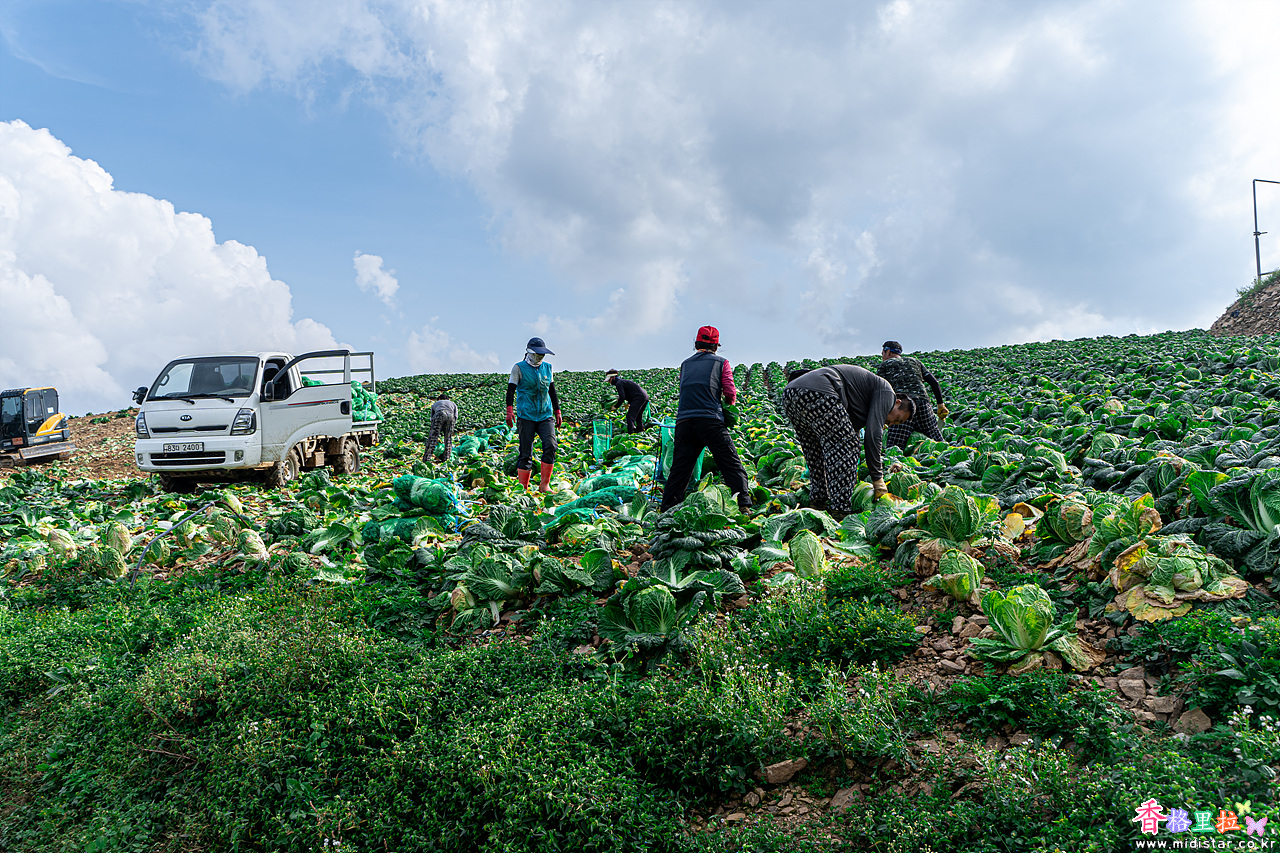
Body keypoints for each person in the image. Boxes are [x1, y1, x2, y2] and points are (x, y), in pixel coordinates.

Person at [782, 364, 915, 514]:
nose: (890, 424)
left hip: (791, 395)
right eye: (897, 419)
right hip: (819, 393)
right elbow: (873, 434)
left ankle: (818, 500)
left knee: (815, 450)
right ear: (897, 402)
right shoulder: (887, 393)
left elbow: (849, 428)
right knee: (848, 446)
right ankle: (840, 509)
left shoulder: (862, 398)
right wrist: (877, 478)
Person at [659, 326, 752, 513]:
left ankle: (668, 507)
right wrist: (728, 407)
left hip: (685, 421)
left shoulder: (685, 364)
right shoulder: (721, 363)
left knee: (680, 467)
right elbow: (730, 392)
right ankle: (743, 504)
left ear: (696, 344)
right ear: (716, 346)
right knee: (730, 462)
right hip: (710, 420)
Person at [506, 337, 562, 492]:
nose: (540, 357)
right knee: (526, 452)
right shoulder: (519, 368)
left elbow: (552, 391)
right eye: (538, 354)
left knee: (551, 445)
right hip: (526, 415)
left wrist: (557, 410)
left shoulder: (547, 368)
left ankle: (544, 485)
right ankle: (523, 488)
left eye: (542, 354)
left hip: (545, 414)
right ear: (529, 352)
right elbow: (510, 390)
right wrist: (509, 411)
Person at [876, 340, 948, 451]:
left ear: (888, 352)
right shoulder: (914, 361)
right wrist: (940, 405)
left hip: (901, 407)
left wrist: (884, 416)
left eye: (883, 354)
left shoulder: (884, 365)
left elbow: (880, 391)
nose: (882, 357)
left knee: (894, 448)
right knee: (936, 440)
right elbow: (934, 383)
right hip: (923, 404)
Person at [423, 392, 458, 463]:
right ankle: (446, 459)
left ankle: (426, 459)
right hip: (450, 416)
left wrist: (436, 429)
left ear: (439, 399)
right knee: (448, 439)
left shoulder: (436, 403)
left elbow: (432, 418)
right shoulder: (453, 403)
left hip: (439, 414)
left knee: (433, 438)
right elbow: (455, 416)